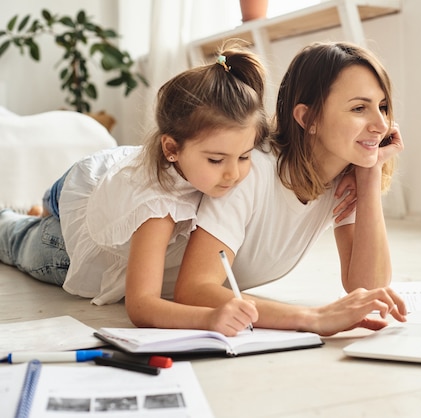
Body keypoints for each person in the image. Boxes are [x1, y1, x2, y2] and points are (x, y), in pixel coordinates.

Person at [0, 45, 269, 336]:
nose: (234, 173)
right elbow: (142, 306)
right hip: (66, 237)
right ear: (171, 149)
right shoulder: (156, 208)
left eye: (244, 156)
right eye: (216, 160)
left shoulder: (208, 166)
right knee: (14, 236)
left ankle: (39, 213)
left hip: (103, 185)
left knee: (45, 209)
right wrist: (209, 319)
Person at [174, 41, 408, 336]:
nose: (381, 124)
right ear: (307, 118)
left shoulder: (343, 176)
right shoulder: (250, 169)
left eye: (383, 107)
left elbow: (369, 289)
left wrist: (370, 173)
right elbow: (193, 289)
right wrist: (312, 317)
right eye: (360, 108)